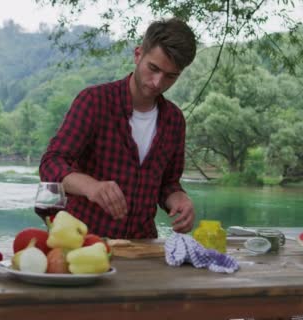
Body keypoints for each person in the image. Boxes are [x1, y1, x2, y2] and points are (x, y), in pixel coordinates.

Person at [39, 17, 197, 239]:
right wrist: (91, 187)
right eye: (153, 68)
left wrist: (179, 198)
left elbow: (168, 183)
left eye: (170, 76)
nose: (157, 83)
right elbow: (50, 164)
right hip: (83, 241)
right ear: (138, 54)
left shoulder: (174, 120)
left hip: (143, 247)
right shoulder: (94, 101)